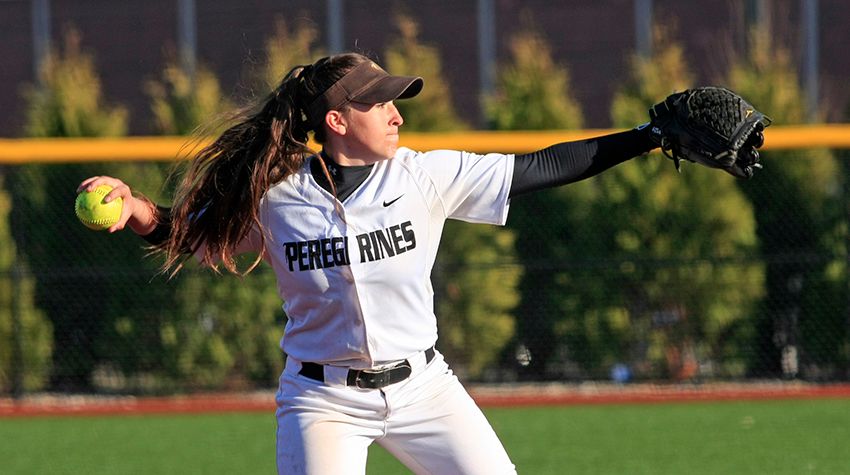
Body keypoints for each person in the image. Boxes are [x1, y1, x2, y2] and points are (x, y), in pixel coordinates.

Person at [78, 52, 668, 474]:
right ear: (337, 121)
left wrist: (647, 136)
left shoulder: (424, 175)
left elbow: (541, 167)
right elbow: (188, 232)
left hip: (425, 389)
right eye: (379, 102)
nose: (396, 114)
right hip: (322, 400)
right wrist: (133, 208)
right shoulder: (277, 197)